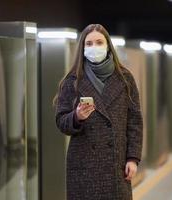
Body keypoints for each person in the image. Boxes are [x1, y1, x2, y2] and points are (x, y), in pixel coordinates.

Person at [54, 24, 143, 200]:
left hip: (116, 163)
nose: (94, 47)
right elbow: (61, 121)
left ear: (108, 45)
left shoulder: (125, 79)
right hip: (84, 165)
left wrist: (133, 158)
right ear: (82, 48)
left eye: (99, 42)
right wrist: (77, 117)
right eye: (89, 43)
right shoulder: (72, 80)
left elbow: (134, 121)